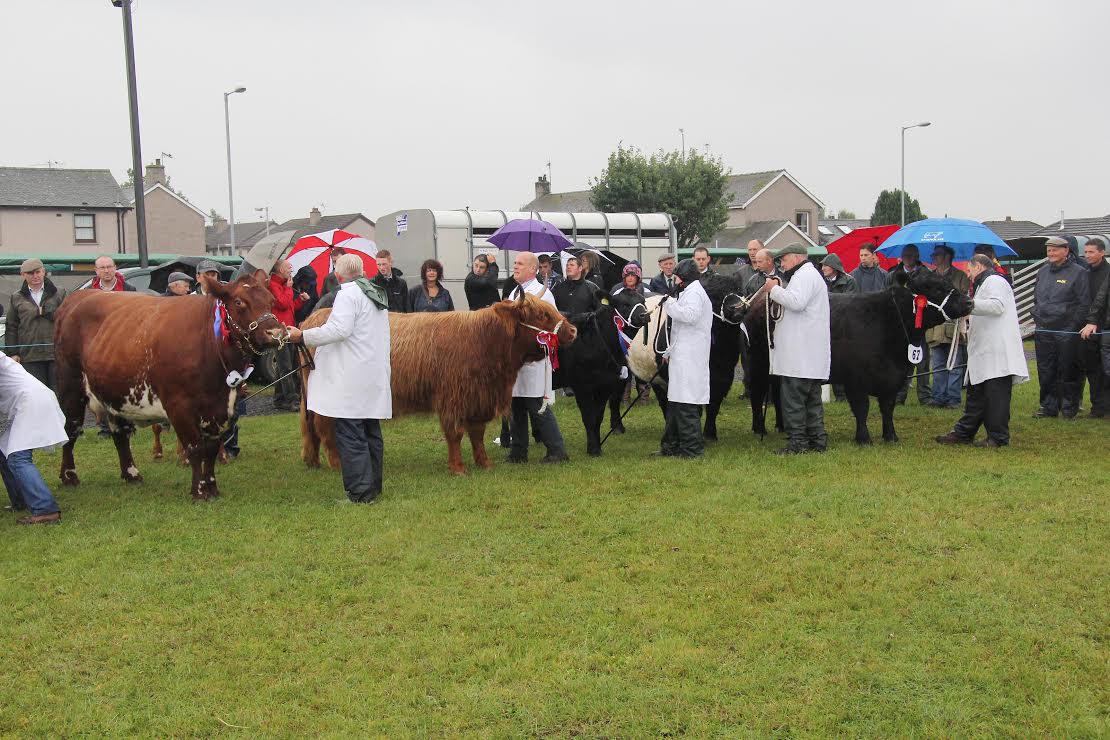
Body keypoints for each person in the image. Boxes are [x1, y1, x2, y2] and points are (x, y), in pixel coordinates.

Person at [286, 254, 391, 503]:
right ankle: (373, 486)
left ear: (337, 274)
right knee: (370, 432)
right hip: (371, 372)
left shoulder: (347, 294)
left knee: (351, 434)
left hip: (351, 375)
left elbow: (340, 330)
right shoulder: (375, 294)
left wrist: (302, 336)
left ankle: (360, 492)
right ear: (363, 272)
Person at [936, 255, 1029, 447]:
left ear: (977, 266)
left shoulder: (995, 281)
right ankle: (964, 433)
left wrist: (969, 305)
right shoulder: (984, 283)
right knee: (976, 394)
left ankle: (998, 437)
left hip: (996, 351)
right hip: (985, 350)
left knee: (996, 397)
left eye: (969, 270)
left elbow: (997, 306)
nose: (968, 275)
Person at [760, 243, 830, 454]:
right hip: (807, 354)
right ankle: (817, 440)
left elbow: (796, 302)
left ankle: (797, 443)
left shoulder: (804, 276)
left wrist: (774, 290)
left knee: (794, 401)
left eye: (784, 259)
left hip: (799, 356)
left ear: (796, 258)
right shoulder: (810, 275)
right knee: (812, 401)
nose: (782, 264)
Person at [507, 252, 569, 464]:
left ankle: (557, 450)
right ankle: (518, 451)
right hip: (516, 358)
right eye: (515, 263)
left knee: (536, 404)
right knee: (516, 404)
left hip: (534, 358)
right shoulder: (515, 291)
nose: (515, 266)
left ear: (533, 269)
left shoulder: (542, 293)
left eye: (520, 264)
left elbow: (548, 325)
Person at [654, 259, 712, 458]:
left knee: (687, 402)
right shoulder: (688, 291)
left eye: (677, 277)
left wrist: (669, 304)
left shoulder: (695, 292)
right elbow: (679, 329)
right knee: (677, 402)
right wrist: (669, 351)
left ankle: (692, 449)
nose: (676, 281)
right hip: (682, 355)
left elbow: (690, 316)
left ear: (684, 277)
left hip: (691, 357)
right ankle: (673, 445)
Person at [0, 354, 67, 524]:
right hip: (31, 400)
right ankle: (20, 500)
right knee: (4, 451)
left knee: (17, 459)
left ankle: (45, 510)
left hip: (30, 402)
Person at [1031, 235, 1089, 419]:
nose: (1051, 253)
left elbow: (1084, 303)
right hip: (1044, 329)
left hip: (1067, 330)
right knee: (1046, 369)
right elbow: (1036, 297)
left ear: (1066, 251)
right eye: (1049, 250)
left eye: (1055, 250)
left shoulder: (1079, 272)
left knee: (1068, 369)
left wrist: (1072, 325)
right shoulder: (1043, 272)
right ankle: (1048, 407)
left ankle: (1069, 408)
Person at [5, 258, 67, 391]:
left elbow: (68, 320)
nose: (35, 276)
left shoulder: (59, 293)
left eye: (38, 272)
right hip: (29, 355)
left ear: (44, 271)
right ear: (23, 275)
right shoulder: (16, 297)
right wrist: (13, 352)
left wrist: (45, 311)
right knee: (35, 394)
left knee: (59, 393)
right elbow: (11, 326)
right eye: (30, 273)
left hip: (56, 353)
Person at [924, 245, 972, 409]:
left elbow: (965, 299)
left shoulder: (960, 277)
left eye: (937, 255)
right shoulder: (929, 277)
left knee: (955, 365)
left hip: (954, 326)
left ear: (946, 257)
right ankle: (938, 398)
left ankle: (953, 399)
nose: (934, 258)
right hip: (935, 327)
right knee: (937, 364)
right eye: (934, 255)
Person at [893, 245, 932, 405]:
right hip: (900, 325)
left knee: (923, 362)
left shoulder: (926, 274)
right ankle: (899, 395)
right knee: (902, 362)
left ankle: (925, 396)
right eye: (905, 255)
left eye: (911, 255)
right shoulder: (893, 274)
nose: (908, 258)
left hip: (920, 323)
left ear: (916, 256)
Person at [268, 259, 307, 411]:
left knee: (284, 365)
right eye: (287, 266)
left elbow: (289, 307)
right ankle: (292, 400)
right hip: (280, 331)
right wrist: (290, 290)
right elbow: (282, 303)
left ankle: (279, 399)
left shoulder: (282, 285)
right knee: (287, 367)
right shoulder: (273, 285)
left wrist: (300, 301)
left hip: (288, 329)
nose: (291, 268)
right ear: (279, 270)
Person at [1076, 238, 1108, 417]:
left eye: (1091, 252)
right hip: (1087, 326)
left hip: (1104, 326)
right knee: (1092, 368)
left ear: (1102, 253)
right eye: (1085, 252)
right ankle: (1097, 407)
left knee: (1106, 368)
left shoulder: (1107, 273)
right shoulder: (1084, 273)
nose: (1087, 255)